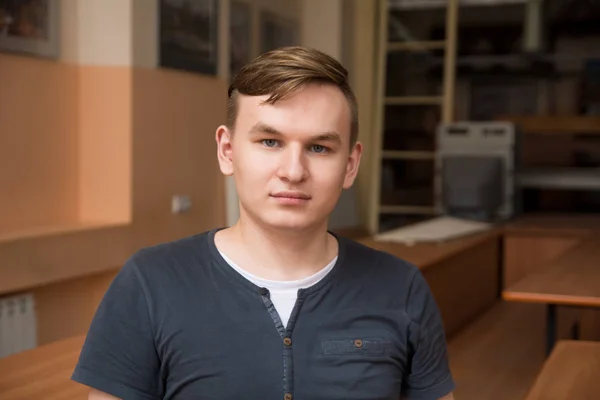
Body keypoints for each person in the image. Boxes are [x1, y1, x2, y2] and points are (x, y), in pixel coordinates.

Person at [72, 46, 455, 400]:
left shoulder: (401, 288)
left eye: (319, 148)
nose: (293, 171)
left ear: (350, 164)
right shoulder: (149, 283)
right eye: (270, 142)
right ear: (227, 151)